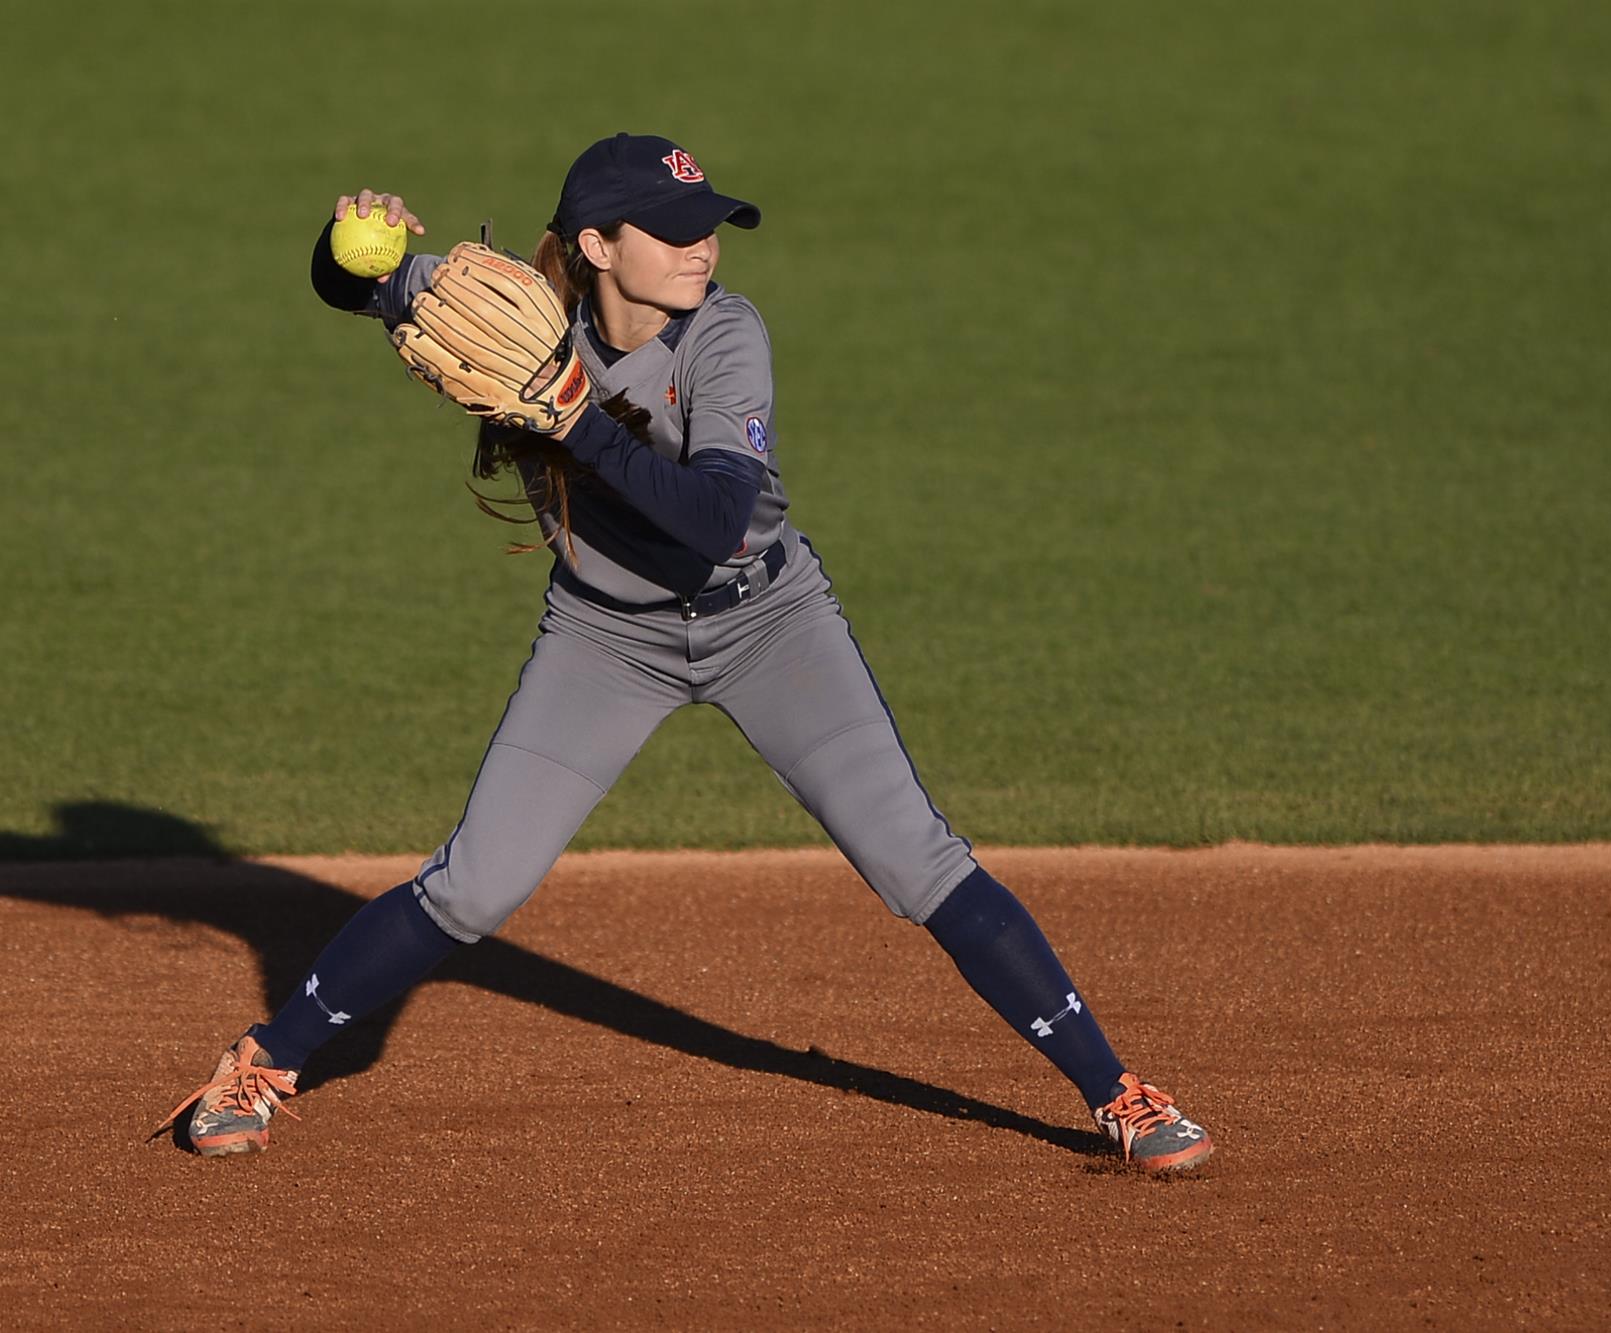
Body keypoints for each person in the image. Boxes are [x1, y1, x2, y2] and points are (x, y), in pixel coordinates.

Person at [159, 133, 1212, 1173]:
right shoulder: (519, 311)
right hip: (605, 640)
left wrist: (574, 418)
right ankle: (263, 1060)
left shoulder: (726, 335)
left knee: (917, 861)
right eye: (670, 231)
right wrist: (361, 247)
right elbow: (358, 290)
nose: (700, 247)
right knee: (472, 887)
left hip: (771, 624)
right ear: (598, 244)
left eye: (707, 224)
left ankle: (1117, 1091)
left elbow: (713, 517)